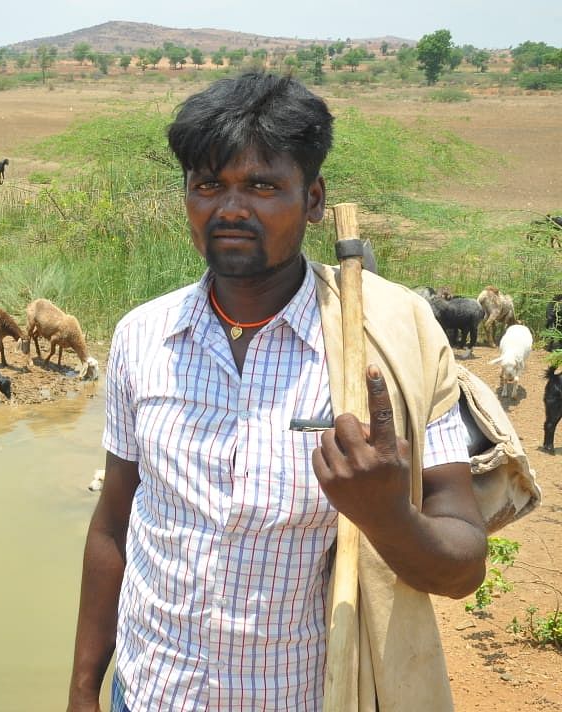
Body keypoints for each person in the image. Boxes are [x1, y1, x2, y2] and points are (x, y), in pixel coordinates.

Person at [66, 73, 490, 712]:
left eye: (263, 186)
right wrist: (81, 691)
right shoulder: (141, 338)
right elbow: (116, 522)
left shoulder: (385, 347)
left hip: (299, 697)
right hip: (149, 691)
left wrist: (385, 513)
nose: (231, 208)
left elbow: (463, 566)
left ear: (314, 199)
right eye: (209, 185)